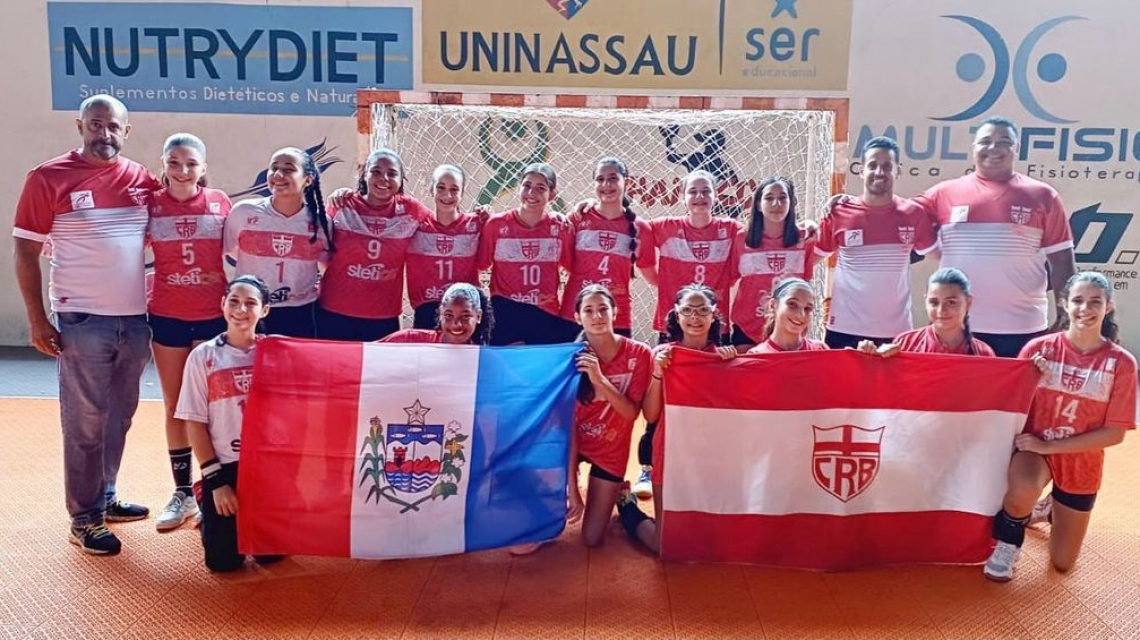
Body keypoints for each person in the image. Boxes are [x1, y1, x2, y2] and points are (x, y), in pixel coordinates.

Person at [14, 95, 159, 554]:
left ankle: (106, 496)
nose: (105, 134)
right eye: (96, 125)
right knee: (86, 423)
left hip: (135, 322)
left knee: (120, 417)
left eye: (114, 126)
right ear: (81, 126)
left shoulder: (142, 179)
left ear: (126, 131)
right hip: (82, 320)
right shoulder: (47, 177)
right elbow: (24, 251)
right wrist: (37, 319)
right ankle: (84, 517)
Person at [984, 271, 1136, 582]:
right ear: (1064, 304)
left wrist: (1050, 446)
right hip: (1034, 451)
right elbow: (1008, 401)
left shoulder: (1121, 363)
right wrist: (1028, 375)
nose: (1085, 309)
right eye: (1078, 301)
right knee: (1021, 489)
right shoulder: (1039, 349)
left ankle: (1046, 508)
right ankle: (1009, 541)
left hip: (1080, 458)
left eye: (1095, 302)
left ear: (1108, 307)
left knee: (1062, 564)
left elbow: (1115, 434)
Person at [913, 116, 1077, 357]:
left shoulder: (1044, 196)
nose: (993, 148)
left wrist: (1065, 317)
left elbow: (1062, 260)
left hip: (1024, 328)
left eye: (1004, 142)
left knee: (1018, 396)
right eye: (985, 141)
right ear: (973, 149)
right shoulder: (943, 193)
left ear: (1017, 149)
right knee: (961, 395)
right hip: (959, 329)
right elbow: (895, 214)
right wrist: (845, 205)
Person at [147, 133, 232, 531]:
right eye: (175, 162)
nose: (183, 171)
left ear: (203, 168)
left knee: (209, 408)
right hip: (167, 315)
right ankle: (181, 492)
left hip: (212, 315)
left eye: (191, 164)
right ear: (163, 164)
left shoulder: (219, 203)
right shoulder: (149, 204)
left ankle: (208, 487)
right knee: (174, 406)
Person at [177, 275, 283, 572]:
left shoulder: (276, 354)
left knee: (269, 557)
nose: (240, 309)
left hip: (265, 465)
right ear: (223, 304)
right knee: (223, 564)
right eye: (233, 301)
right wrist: (217, 483)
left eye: (251, 303)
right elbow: (193, 422)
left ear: (264, 311)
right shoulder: (203, 357)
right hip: (225, 466)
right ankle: (204, 495)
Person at [620, 284, 737, 533]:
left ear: (714, 314)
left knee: (707, 536)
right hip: (670, 451)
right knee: (666, 543)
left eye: (703, 310)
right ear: (677, 314)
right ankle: (629, 508)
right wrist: (658, 374)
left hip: (710, 456)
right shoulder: (663, 355)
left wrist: (731, 367)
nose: (695, 317)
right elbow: (650, 416)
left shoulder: (724, 357)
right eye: (688, 310)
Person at [817, 136, 938, 349]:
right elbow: (809, 258)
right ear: (861, 170)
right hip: (844, 328)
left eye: (886, 166)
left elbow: (941, 256)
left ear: (898, 170)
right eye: (872, 165)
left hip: (895, 332)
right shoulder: (839, 212)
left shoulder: (913, 214)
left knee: (890, 384)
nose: (879, 172)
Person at [317, 149, 431, 341]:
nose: (384, 178)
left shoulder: (411, 210)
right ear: (364, 174)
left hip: (382, 317)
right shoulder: (342, 205)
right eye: (376, 171)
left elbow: (444, 224)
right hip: (334, 313)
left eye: (392, 173)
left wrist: (480, 218)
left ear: (402, 178)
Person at [568, 285, 652, 546]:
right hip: (574, 444)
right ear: (577, 317)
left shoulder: (639, 353)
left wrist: (600, 380)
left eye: (603, 309)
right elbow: (566, 430)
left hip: (610, 447)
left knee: (592, 539)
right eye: (589, 311)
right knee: (550, 525)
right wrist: (572, 490)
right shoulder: (568, 358)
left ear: (615, 312)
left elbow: (630, 414)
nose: (597, 316)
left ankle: (623, 497)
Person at [223, 147, 333, 338]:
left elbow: (325, 263)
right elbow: (232, 252)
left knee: (295, 368)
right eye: (273, 168)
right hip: (251, 311)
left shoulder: (320, 222)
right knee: (250, 366)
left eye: (289, 169)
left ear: (308, 179)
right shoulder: (243, 212)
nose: (278, 175)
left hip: (301, 312)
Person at [477, 162, 577, 345]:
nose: (532, 193)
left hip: (544, 314)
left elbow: (573, 269)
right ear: (519, 187)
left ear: (552, 195)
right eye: (527, 186)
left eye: (541, 188)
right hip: (506, 314)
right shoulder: (496, 225)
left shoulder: (560, 227)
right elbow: (480, 265)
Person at [643, 170, 741, 342]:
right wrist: (657, 280)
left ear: (716, 195)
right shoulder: (666, 227)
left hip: (714, 324)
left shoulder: (732, 229)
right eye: (693, 191)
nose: (699, 196)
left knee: (715, 368)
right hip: (674, 322)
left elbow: (763, 233)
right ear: (683, 197)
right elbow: (628, 225)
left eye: (706, 191)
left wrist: (804, 227)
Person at [560, 158, 653, 338]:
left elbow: (653, 276)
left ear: (626, 181)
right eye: (600, 179)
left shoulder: (641, 228)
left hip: (617, 318)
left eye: (612, 178)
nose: (606, 184)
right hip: (574, 315)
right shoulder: (577, 218)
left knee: (616, 367)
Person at [731, 176, 819, 349]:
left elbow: (805, 283)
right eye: (769, 198)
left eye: (782, 197)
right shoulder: (743, 238)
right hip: (747, 327)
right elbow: (731, 280)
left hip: (788, 326)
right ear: (758, 204)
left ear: (791, 202)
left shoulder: (804, 238)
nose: (776, 204)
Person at [406, 165, 484, 329]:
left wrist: (487, 214)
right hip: (426, 311)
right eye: (441, 187)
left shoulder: (476, 224)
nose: (447, 195)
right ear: (431, 190)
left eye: (454, 189)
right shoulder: (415, 224)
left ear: (462, 194)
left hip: (463, 312)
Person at [859, 268, 996, 357]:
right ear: (925, 301)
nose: (941, 310)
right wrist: (871, 355)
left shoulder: (983, 353)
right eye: (934, 303)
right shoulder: (905, 344)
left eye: (951, 302)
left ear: (968, 302)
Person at [380, 282, 494, 345]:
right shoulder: (408, 340)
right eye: (448, 315)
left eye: (465, 316)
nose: (456, 324)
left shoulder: (482, 360)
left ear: (478, 316)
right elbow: (367, 354)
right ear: (440, 313)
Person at [747, 278, 829, 353]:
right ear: (773, 305)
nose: (801, 314)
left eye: (807, 308)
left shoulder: (820, 350)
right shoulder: (757, 355)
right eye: (792, 304)